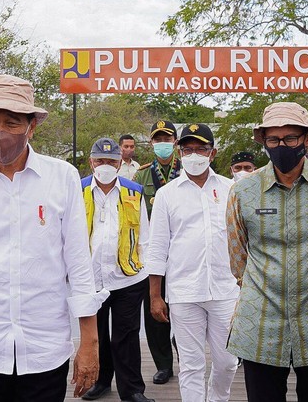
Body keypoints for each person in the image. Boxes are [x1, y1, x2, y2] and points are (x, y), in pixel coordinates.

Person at [0, 74, 108, 402]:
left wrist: (89, 344)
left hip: (45, 348)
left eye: (11, 123)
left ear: (32, 126)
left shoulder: (62, 178)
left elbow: (80, 266)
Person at [226, 102, 308, 402]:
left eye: (290, 139)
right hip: (260, 321)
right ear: (264, 142)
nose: (281, 145)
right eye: (273, 139)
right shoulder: (244, 191)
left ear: (306, 139)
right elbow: (237, 256)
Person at [147, 123, 239, 402]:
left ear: (213, 154)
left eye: (201, 149)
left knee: (228, 362)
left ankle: (217, 398)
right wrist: (155, 296)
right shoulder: (167, 193)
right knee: (191, 365)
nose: (194, 155)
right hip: (184, 292)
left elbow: (242, 241)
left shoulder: (230, 189)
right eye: (188, 150)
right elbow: (157, 247)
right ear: (180, 152)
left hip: (225, 290)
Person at [80, 137, 154, 402]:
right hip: (90, 278)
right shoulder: (78, 190)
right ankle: (100, 381)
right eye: (100, 161)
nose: (105, 166)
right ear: (91, 162)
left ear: (120, 162)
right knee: (95, 334)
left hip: (127, 277)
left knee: (126, 336)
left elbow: (144, 234)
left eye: (111, 161)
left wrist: (144, 269)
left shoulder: (133, 191)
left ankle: (132, 389)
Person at [133, 120, 180, 384]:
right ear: (152, 143)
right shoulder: (141, 175)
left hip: (182, 251)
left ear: (174, 141)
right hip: (153, 252)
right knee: (155, 311)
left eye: (167, 138)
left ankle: (186, 358)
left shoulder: (187, 168)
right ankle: (164, 365)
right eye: (157, 139)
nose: (162, 143)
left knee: (184, 309)